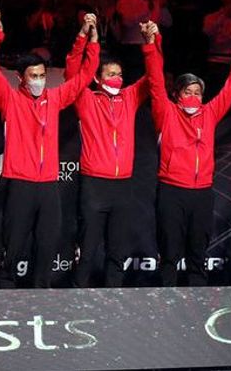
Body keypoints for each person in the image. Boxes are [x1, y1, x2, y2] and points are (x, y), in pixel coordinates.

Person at [0, 8, 98, 288]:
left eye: (42, 75)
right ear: (21, 77)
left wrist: (88, 38)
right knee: (15, 245)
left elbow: (84, 76)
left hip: (48, 186)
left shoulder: (54, 99)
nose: (38, 80)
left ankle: (40, 296)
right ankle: (6, 292)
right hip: (21, 185)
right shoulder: (10, 100)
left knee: (46, 246)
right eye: (33, 75)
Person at [145, 23, 231, 287]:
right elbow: (155, 80)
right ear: (176, 95)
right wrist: (151, 43)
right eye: (187, 92)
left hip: (202, 192)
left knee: (197, 253)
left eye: (197, 93)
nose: (193, 97)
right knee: (169, 254)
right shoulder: (166, 113)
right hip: (172, 190)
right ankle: (166, 301)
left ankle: (197, 307)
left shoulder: (210, 113)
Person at [65, 19, 152, 287]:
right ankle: (78, 294)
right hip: (94, 185)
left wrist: (152, 42)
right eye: (110, 74)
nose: (116, 78)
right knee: (88, 247)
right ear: (97, 78)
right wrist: (84, 37)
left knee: (118, 248)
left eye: (119, 74)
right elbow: (71, 72)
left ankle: (114, 296)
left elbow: (155, 77)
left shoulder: (130, 98)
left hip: (123, 185)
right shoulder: (87, 100)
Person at [116, 0, 172, 77]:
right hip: (132, 49)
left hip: (153, 47)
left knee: (151, 81)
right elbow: (127, 21)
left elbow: (168, 22)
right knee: (133, 81)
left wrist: (163, 6)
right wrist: (148, 8)